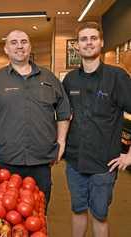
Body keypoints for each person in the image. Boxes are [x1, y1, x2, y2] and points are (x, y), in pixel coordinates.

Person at [0, 29, 71, 206]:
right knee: (5, 218)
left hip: (41, 163)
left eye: (24, 41)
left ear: (30, 47)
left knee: (38, 213)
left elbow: (64, 112)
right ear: (6, 49)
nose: (19, 46)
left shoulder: (49, 78)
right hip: (5, 162)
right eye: (13, 42)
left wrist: (61, 142)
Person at [62, 22, 131, 237]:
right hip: (75, 161)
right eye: (84, 39)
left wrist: (130, 155)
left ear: (101, 42)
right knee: (78, 210)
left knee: (100, 215)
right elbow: (64, 116)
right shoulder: (70, 79)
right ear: (77, 46)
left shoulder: (117, 77)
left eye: (93, 38)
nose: (88, 42)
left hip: (104, 164)